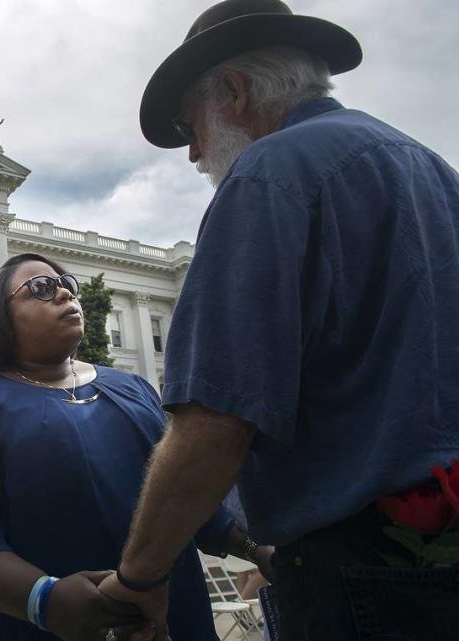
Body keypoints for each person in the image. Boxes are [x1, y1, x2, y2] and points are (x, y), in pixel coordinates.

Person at [100, 2, 459, 640]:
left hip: (361, 573)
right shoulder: (435, 170)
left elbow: (215, 420)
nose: (193, 154)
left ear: (234, 92)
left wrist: (139, 578)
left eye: (191, 127)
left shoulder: (267, 175)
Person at [0, 253, 267, 641]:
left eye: (67, 285)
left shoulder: (133, 387)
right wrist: (47, 599)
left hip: (175, 618)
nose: (63, 295)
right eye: (40, 288)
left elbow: (190, 499)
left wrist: (258, 550)